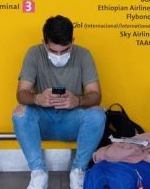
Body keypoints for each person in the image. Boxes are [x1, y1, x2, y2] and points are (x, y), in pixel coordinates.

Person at [12, 15, 105, 189]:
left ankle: (78, 171)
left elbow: (96, 95)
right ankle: (38, 174)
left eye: (64, 50)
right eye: (53, 51)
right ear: (44, 42)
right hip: (43, 122)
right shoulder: (34, 53)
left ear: (73, 41)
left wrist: (77, 100)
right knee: (20, 112)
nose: (59, 55)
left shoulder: (83, 55)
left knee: (98, 114)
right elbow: (21, 94)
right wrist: (37, 98)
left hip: (72, 122)